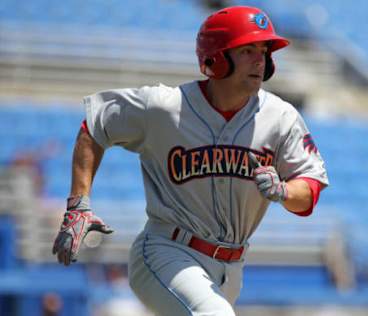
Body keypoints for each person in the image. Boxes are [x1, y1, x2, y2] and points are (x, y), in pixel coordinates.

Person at [52, 5, 329, 316]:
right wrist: (78, 204)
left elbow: (310, 190)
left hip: (231, 268)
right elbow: (96, 125)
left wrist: (285, 192)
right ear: (217, 58)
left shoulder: (281, 117)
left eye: (264, 50)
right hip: (166, 251)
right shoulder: (164, 107)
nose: (260, 59)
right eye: (248, 49)